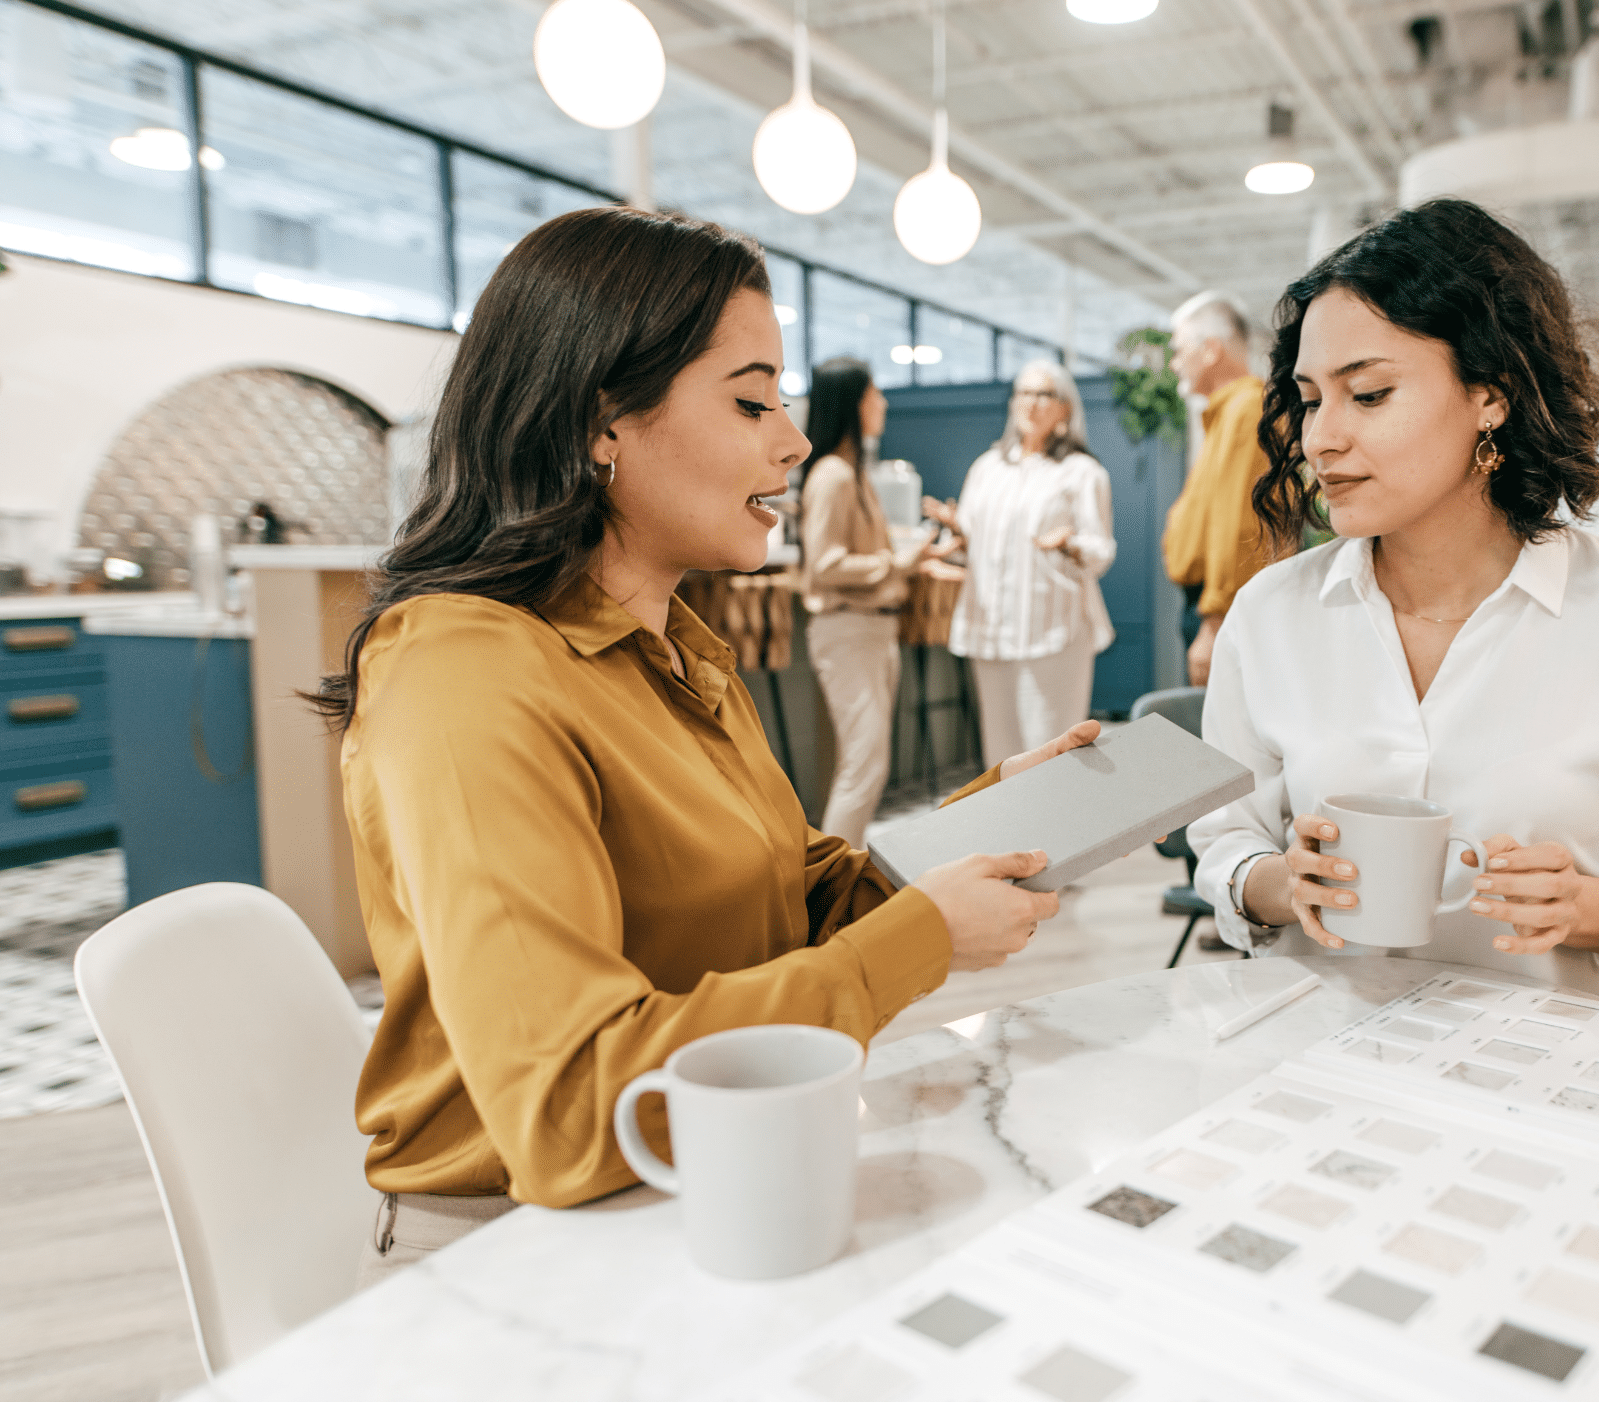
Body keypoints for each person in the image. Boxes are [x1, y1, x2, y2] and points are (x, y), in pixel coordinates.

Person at [317, 207, 1095, 1280]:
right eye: (750, 401)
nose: (793, 437)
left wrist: (993, 816)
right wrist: (916, 936)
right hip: (515, 1251)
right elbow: (575, 1108)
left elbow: (783, 899)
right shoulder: (462, 673)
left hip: (706, 1178)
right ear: (602, 422)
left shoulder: (672, 648)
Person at [1188, 199, 1599, 1008]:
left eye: (1368, 394)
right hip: (1317, 1059)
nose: (1319, 438)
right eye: (1309, 399)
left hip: (1545, 1076)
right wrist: (1281, 882)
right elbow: (1224, 844)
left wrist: (1583, 906)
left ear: (1491, 395)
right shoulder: (1271, 614)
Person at [929, 359, 1116, 769]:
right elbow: (970, 546)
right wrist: (955, 536)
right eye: (1024, 393)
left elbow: (1100, 551)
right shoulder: (987, 467)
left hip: (1053, 630)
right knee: (1002, 758)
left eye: (1045, 394)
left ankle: (1060, 835)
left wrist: (1068, 545)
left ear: (1065, 408)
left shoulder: (1082, 472)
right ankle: (1012, 835)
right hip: (991, 628)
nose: (1032, 403)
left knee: (1051, 755)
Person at [798, 356, 937, 847]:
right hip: (849, 629)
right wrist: (895, 563)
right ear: (854, 403)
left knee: (868, 765)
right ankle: (833, 887)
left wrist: (906, 553)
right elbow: (825, 564)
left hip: (872, 630)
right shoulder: (834, 475)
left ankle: (841, 878)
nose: (882, 403)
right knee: (864, 764)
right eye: (874, 393)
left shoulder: (852, 472)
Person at [1160, 291, 1272, 687]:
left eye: (1178, 350)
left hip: (1223, 610)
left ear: (1210, 350)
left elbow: (1240, 526)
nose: (1174, 363)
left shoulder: (1246, 410)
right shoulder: (1228, 412)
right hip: (1214, 605)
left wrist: (1214, 622)